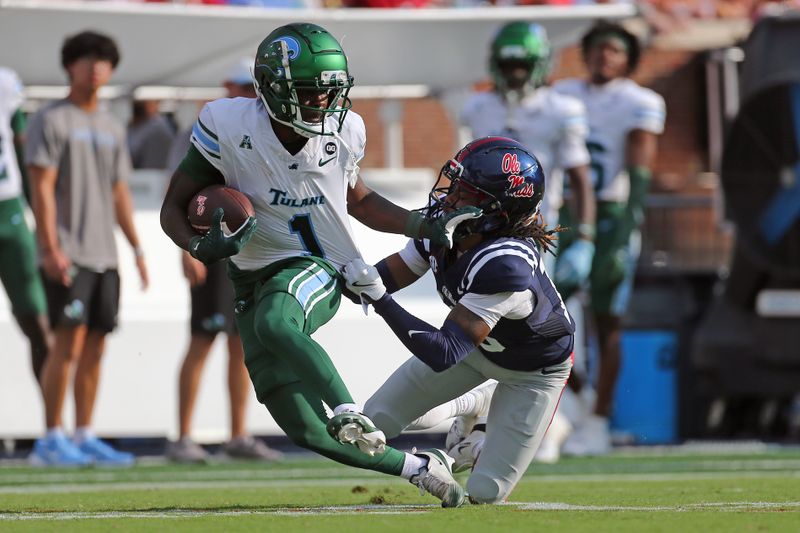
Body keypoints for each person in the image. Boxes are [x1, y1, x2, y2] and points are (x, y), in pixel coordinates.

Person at [160, 23, 480, 507]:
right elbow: (173, 207)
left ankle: (349, 407)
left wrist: (420, 224)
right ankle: (418, 467)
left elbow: (360, 202)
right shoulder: (227, 124)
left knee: (276, 320)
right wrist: (195, 245)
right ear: (272, 88)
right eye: (310, 92)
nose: (323, 104)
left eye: (331, 92)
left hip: (321, 264)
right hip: (249, 278)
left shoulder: (346, 130)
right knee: (308, 431)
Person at [341, 136, 575, 504]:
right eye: (455, 186)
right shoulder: (444, 231)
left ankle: (479, 421)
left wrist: (380, 299)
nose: (449, 198)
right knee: (376, 422)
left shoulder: (505, 266)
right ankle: (473, 404)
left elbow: (443, 353)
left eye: (464, 193)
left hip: (534, 371)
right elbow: (378, 279)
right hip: (475, 351)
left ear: (495, 210)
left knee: (486, 492)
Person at [26, 31, 150, 466]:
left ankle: (83, 434)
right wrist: (49, 245)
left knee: (97, 346)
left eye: (103, 60)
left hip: (105, 255)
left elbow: (119, 193)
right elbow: (40, 187)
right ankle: (50, 438)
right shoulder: (50, 119)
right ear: (69, 65)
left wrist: (136, 248)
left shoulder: (113, 125)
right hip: (68, 253)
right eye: (86, 58)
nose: (95, 67)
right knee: (67, 345)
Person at [552, 21, 666, 456]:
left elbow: (639, 169)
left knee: (607, 319)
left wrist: (625, 230)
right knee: (536, 310)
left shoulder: (640, 101)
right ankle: (577, 400)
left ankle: (598, 417)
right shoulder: (564, 94)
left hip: (612, 215)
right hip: (566, 214)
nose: (605, 56)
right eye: (598, 48)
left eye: (614, 50)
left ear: (629, 58)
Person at [166, 58, 283, 463]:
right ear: (226, 87)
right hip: (210, 248)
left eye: (252, 89)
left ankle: (238, 434)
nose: (247, 95)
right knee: (202, 340)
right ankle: (182, 436)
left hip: (249, 249)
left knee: (241, 343)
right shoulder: (201, 129)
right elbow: (177, 195)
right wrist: (187, 251)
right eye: (240, 87)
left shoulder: (266, 131)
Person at [459, 21, 596, 285]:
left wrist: (584, 239)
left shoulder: (561, 109)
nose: (515, 73)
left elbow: (579, 176)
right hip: (483, 222)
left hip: (538, 224)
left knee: (530, 301)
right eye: (508, 65)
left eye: (522, 65)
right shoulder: (477, 107)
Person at [0, 67, 51, 393]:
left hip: (9, 210)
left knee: (37, 321)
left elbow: (21, 148)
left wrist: (47, 233)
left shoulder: (4, 83)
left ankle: (53, 429)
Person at [127, 99, 176, 170]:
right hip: (139, 176)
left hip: (152, 176)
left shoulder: (158, 127)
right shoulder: (134, 125)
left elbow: (132, 156)